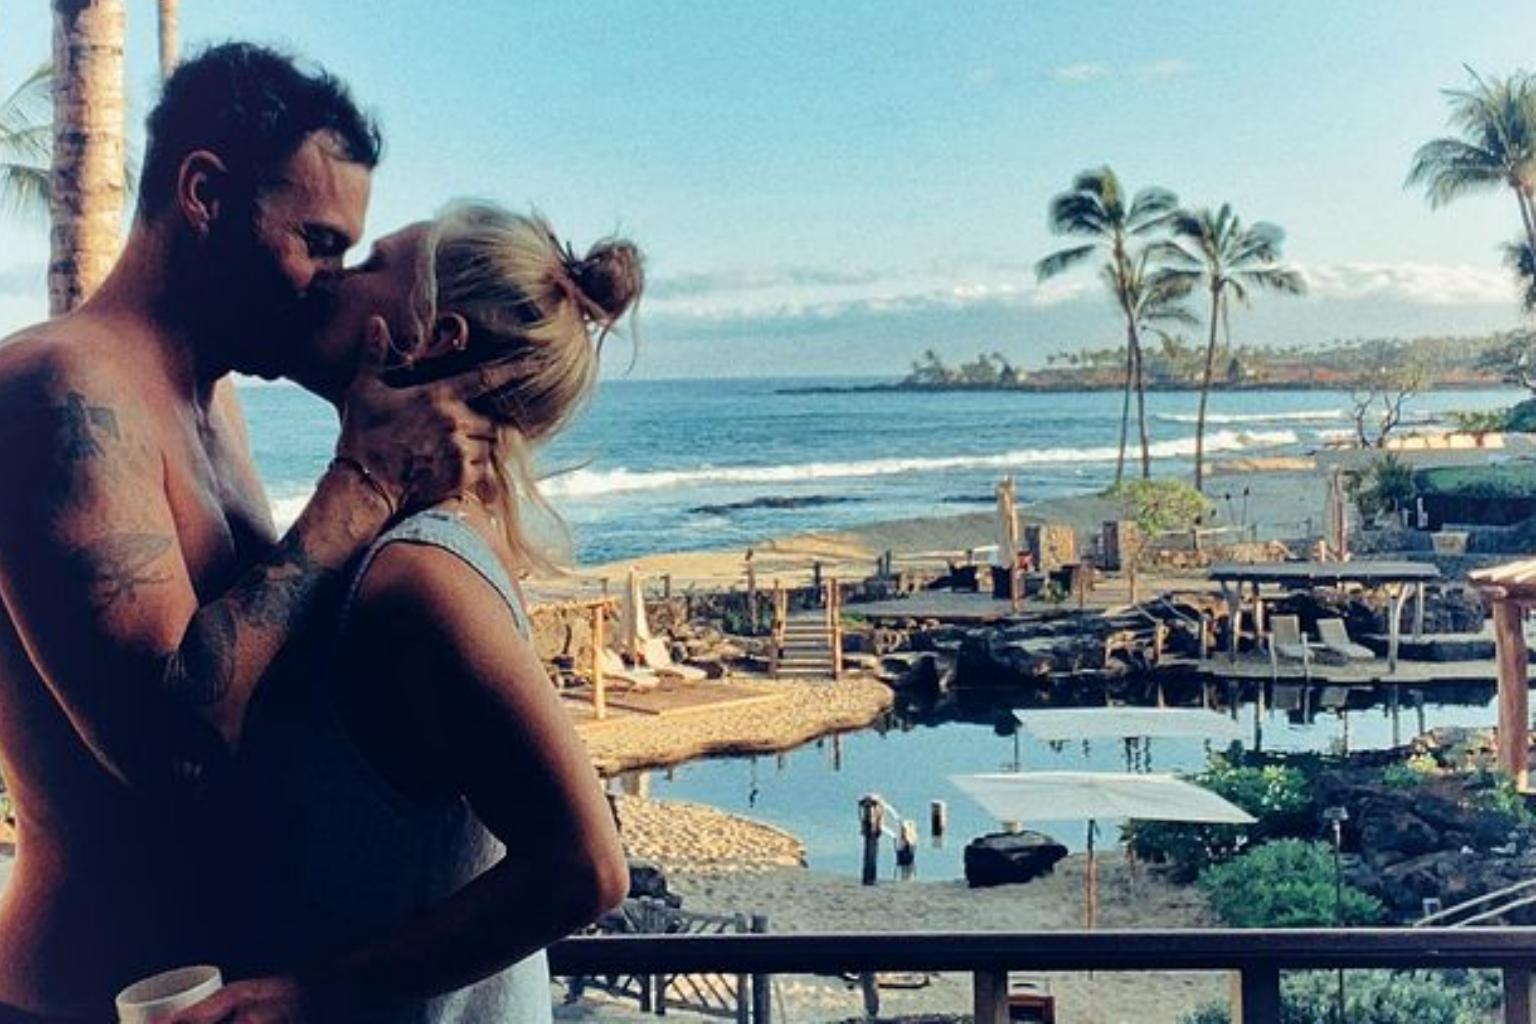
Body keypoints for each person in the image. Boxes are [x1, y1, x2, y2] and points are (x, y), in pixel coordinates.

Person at [0, 45, 520, 1019]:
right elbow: (173, 750)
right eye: (317, 242)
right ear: (204, 193)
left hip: (228, 992)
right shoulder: (56, 391)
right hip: (92, 999)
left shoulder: (214, 403)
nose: (329, 283)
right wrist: (362, 480)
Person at [175, 202, 635, 1022]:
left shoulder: (420, 573)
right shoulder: (428, 541)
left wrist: (309, 993)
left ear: (434, 338)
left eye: (369, 266)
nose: (330, 277)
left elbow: (586, 868)